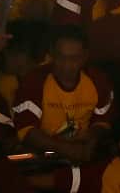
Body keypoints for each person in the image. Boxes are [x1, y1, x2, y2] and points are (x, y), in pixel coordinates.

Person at [12, 26, 113, 165]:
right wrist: (67, 149)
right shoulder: (34, 81)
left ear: (85, 57)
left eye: (74, 58)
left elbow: (103, 122)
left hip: (84, 151)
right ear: (52, 54)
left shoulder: (98, 81)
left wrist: (91, 137)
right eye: (61, 57)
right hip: (43, 155)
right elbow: (26, 131)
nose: (66, 65)